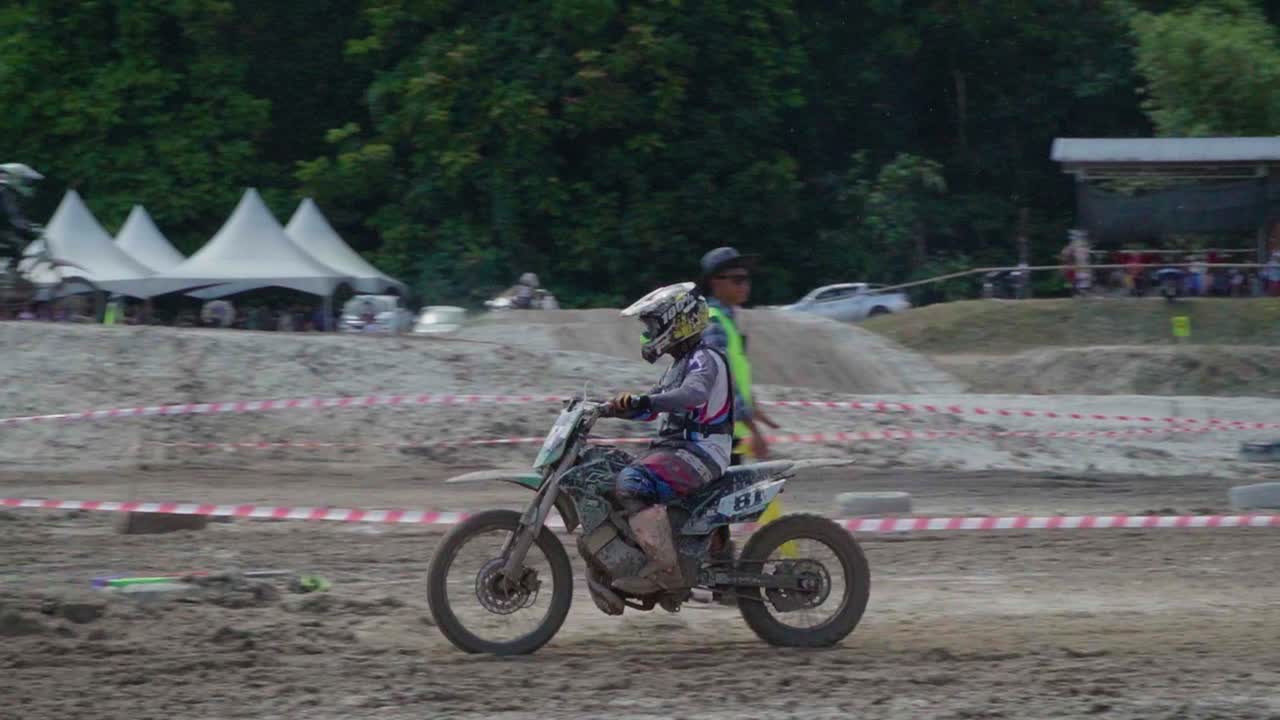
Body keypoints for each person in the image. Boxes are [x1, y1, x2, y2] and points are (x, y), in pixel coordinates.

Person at [606, 282, 734, 595]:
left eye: (653, 325)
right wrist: (608, 408)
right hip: (680, 449)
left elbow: (693, 394)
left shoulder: (705, 358)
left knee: (634, 482)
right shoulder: (679, 365)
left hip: (702, 451)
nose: (649, 333)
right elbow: (650, 406)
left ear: (678, 321)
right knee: (610, 471)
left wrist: (645, 402)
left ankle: (665, 570)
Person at [697, 247, 779, 465]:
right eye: (737, 279)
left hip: (723, 431)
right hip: (716, 433)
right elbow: (723, 381)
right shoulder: (713, 322)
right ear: (715, 282)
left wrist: (753, 408)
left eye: (746, 279)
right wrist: (754, 430)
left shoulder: (725, 320)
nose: (745, 285)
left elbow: (735, 373)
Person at [0, 163, 44, 266]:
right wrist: (30, 231)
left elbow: (13, 217)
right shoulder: (5, 192)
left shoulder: (6, 192)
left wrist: (28, 227)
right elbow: (13, 215)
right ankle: (12, 277)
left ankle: (10, 274)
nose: (29, 185)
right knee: (23, 246)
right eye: (27, 182)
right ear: (15, 178)